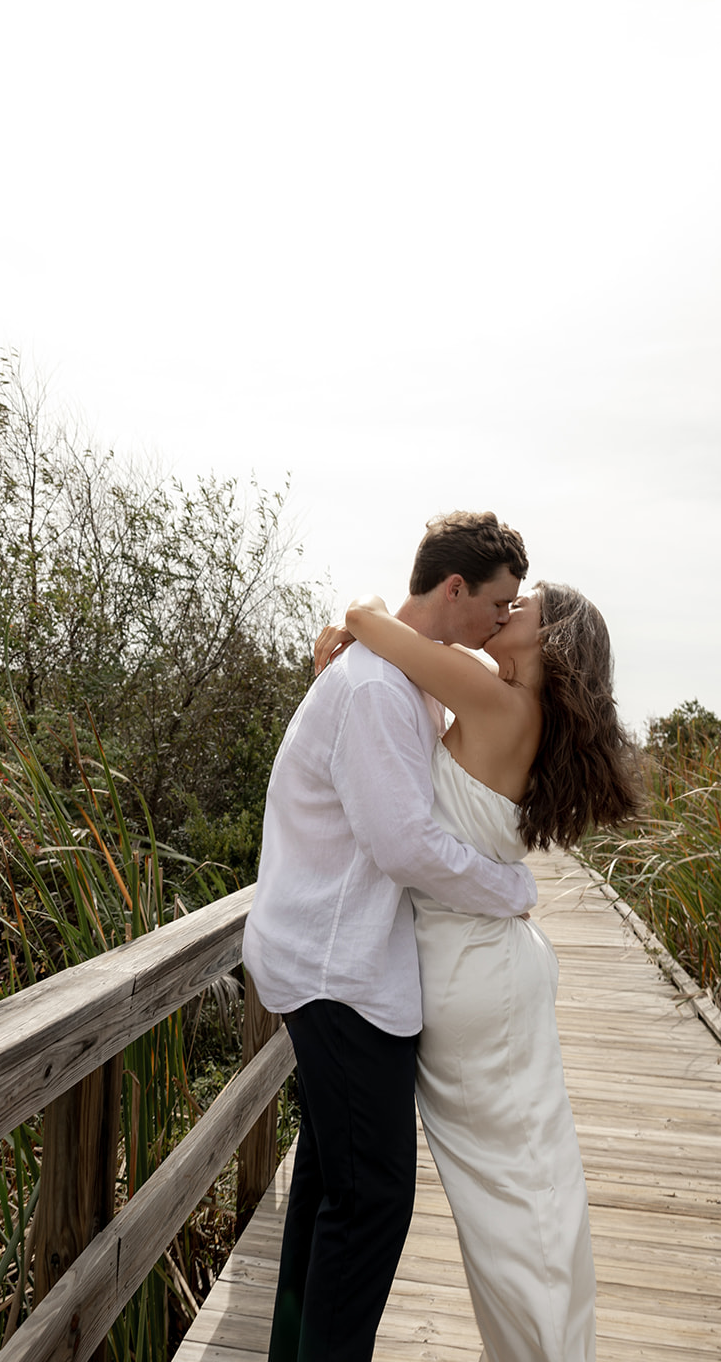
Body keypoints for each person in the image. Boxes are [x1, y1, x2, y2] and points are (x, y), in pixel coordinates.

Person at [312, 580, 641, 1362]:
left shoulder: (497, 703)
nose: (501, 614)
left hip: (468, 969)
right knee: (524, 1174)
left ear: (546, 640)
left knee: (510, 1188)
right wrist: (340, 662)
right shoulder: (506, 704)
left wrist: (349, 633)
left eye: (517, 609)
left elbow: (368, 620)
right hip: (486, 965)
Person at [242, 512, 538, 1362]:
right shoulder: (375, 690)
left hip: (341, 958)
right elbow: (402, 842)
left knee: (336, 1187)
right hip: (338, 972)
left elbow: (385, 620)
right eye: (497, 603)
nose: (497, 622)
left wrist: (358, 608)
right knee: (372, 1201)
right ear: (454, 589)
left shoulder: (405, 675)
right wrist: (508, 890)